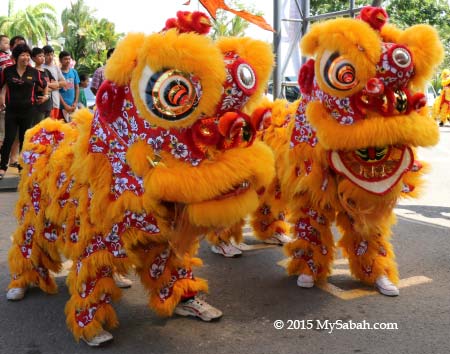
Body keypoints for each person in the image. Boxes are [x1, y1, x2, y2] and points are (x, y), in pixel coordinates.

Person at [0, 44, 48, 180]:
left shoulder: (34, 72)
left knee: (24, 139)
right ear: (16, 57)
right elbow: (3, 85)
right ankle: (3, 166)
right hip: (11, 111)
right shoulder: (7, 71)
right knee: (8, 138)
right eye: (23, 55)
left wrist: (45, 96)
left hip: (28, 111)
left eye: (27, 55)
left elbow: (45, 85)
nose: (26, 58)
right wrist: (1, 97)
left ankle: (22, 167)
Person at [31, 47, 58, 124]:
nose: (42, 58)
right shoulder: (32, 72)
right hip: (38, 106)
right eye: (40, 56)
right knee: (38, 129)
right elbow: (37, 88)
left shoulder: (46, 71)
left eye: (43, 56)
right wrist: (48, 87)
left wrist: (45, 86)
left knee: (47, 130)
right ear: (33, 58)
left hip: (49, 105)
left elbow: (56, 85)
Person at [42, 45, 67, 119]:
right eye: (47, 55)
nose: (50, 57)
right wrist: (55, 86)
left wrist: (49, 85)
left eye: (51, 54)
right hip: (44, 103)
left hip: (55, 102)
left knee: (53, 125)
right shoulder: (40, 68)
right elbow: (40, 86)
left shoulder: (56, 68)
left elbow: (64, 83)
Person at [58, 51, 79, 122]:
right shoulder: (57, 73)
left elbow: (77, 87)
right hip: (62, 107)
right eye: (65, 59)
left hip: (73, 105)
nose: (68, 61)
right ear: (60, 60)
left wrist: (75, 102)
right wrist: (64, 105)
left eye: (69, 59)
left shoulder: (74, 72)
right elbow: (56, 91)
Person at [0, 34, 12, 150]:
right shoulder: (4, 57)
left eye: (8, 43)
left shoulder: (7, 56)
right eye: (5, 43)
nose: (7, 45)